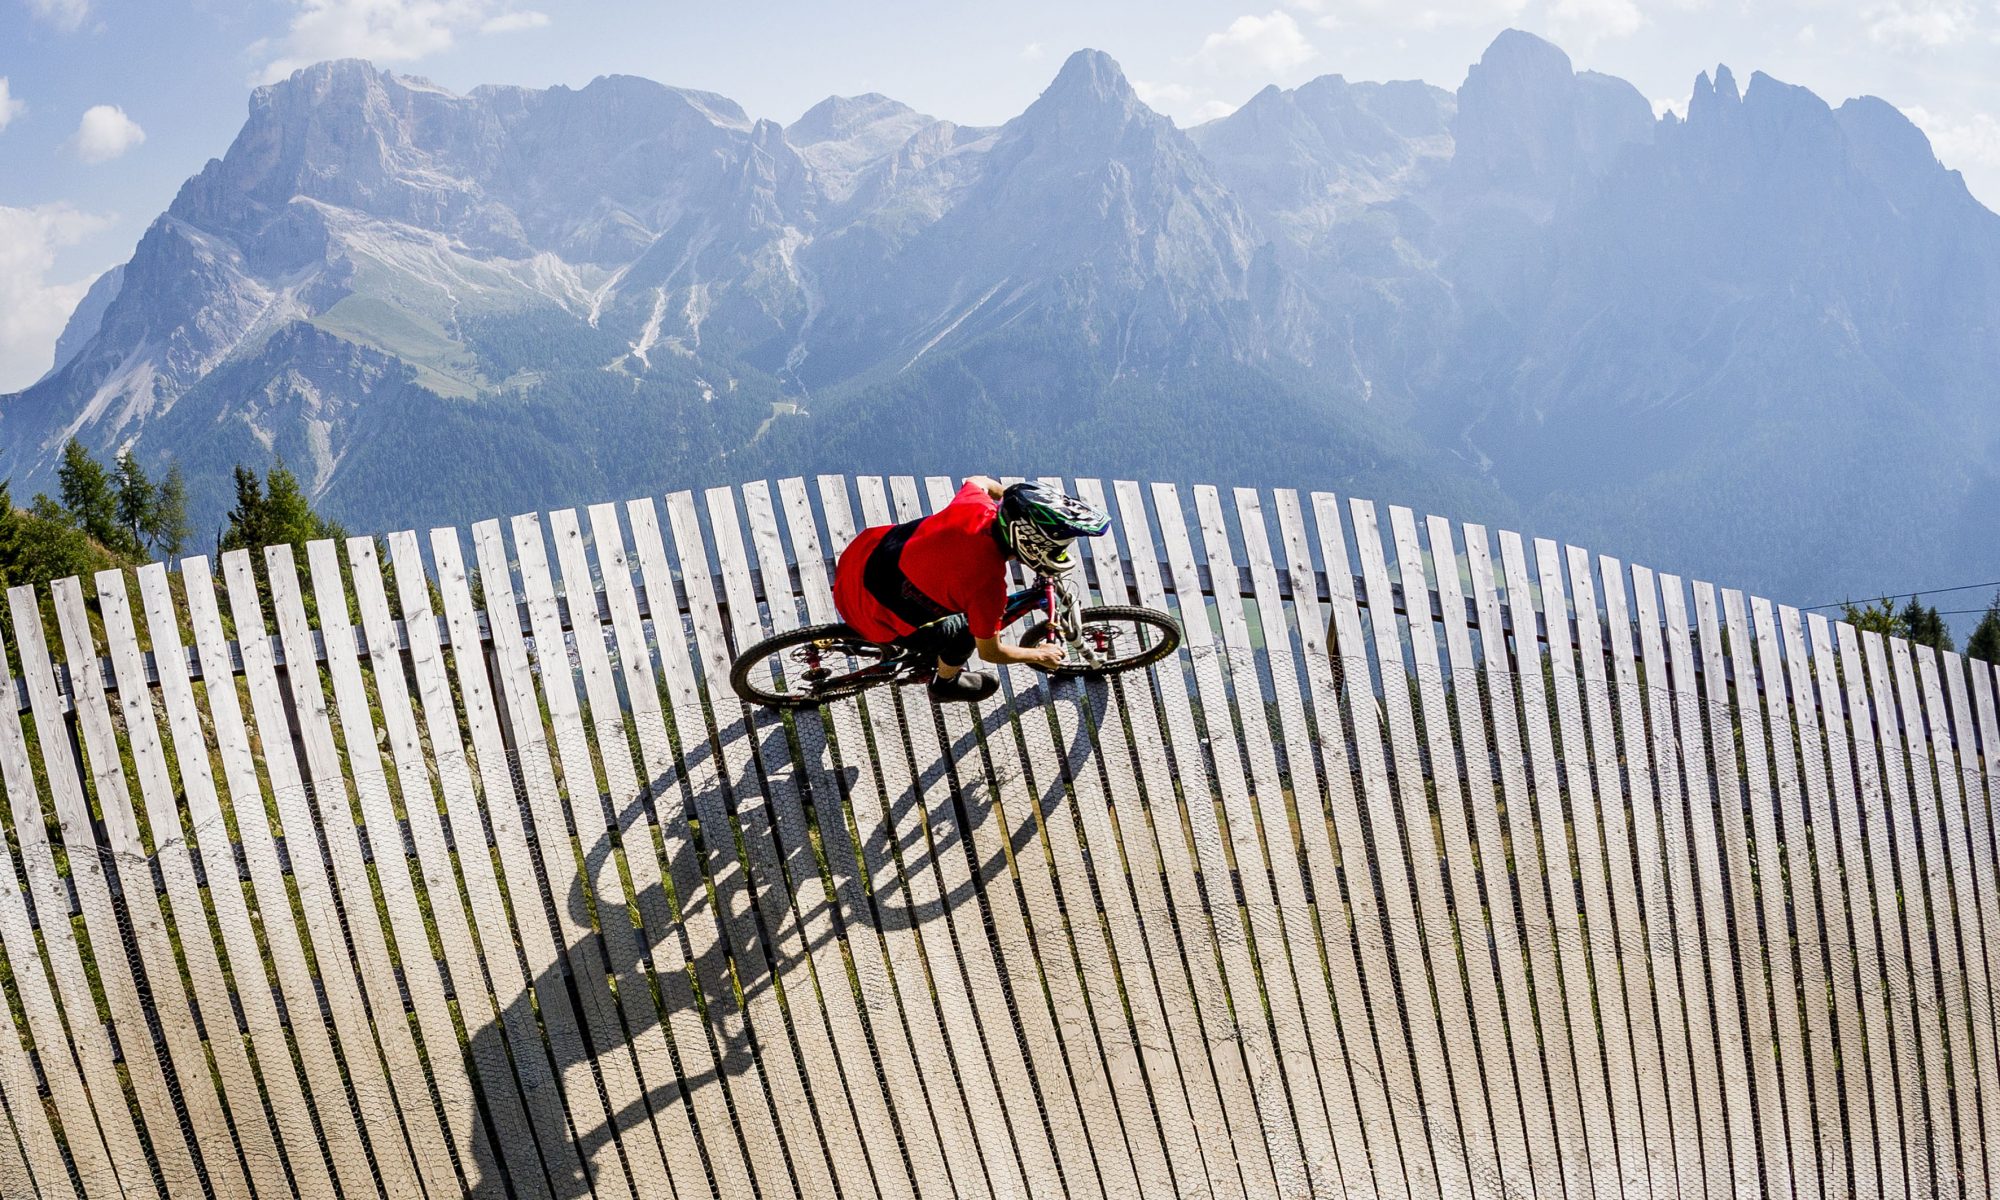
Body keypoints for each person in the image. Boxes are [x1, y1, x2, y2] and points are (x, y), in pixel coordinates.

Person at [832, 477, 1110, 702]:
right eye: (1057, 545)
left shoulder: (976, 507)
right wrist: (1039, 654)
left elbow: (979, 481)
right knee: (965, 634)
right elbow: (991, 652)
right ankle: (945, 684)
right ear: (1031, 542)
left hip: (858, 562)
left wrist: (1016, 505)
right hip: (873, 614)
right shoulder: (986, 585)